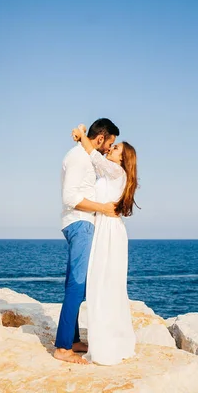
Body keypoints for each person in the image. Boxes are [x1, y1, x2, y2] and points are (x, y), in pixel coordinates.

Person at [54, 118, 120, 365]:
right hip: (79, 223)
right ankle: (62, 348)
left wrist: (80, 131)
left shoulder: (85, 155)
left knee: (76, 283)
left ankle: (71, 340)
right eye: (109, 143)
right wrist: (102, 208)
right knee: (78, 285)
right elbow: (70, 196)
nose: (108, 149)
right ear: (101, 138)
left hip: (82, 223)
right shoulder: (78, 157)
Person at [71, 124, 138, 365]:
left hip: (109, 232)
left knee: (105, 285)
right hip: (106, 228)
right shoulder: (114, 172)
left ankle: (108, 344)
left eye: (116, 147)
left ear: (123, 158)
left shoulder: (116, 171)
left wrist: (81, 135)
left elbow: (93, 155)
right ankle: (109, 340)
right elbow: (94, 156)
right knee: (103, 284)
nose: (111, 148)